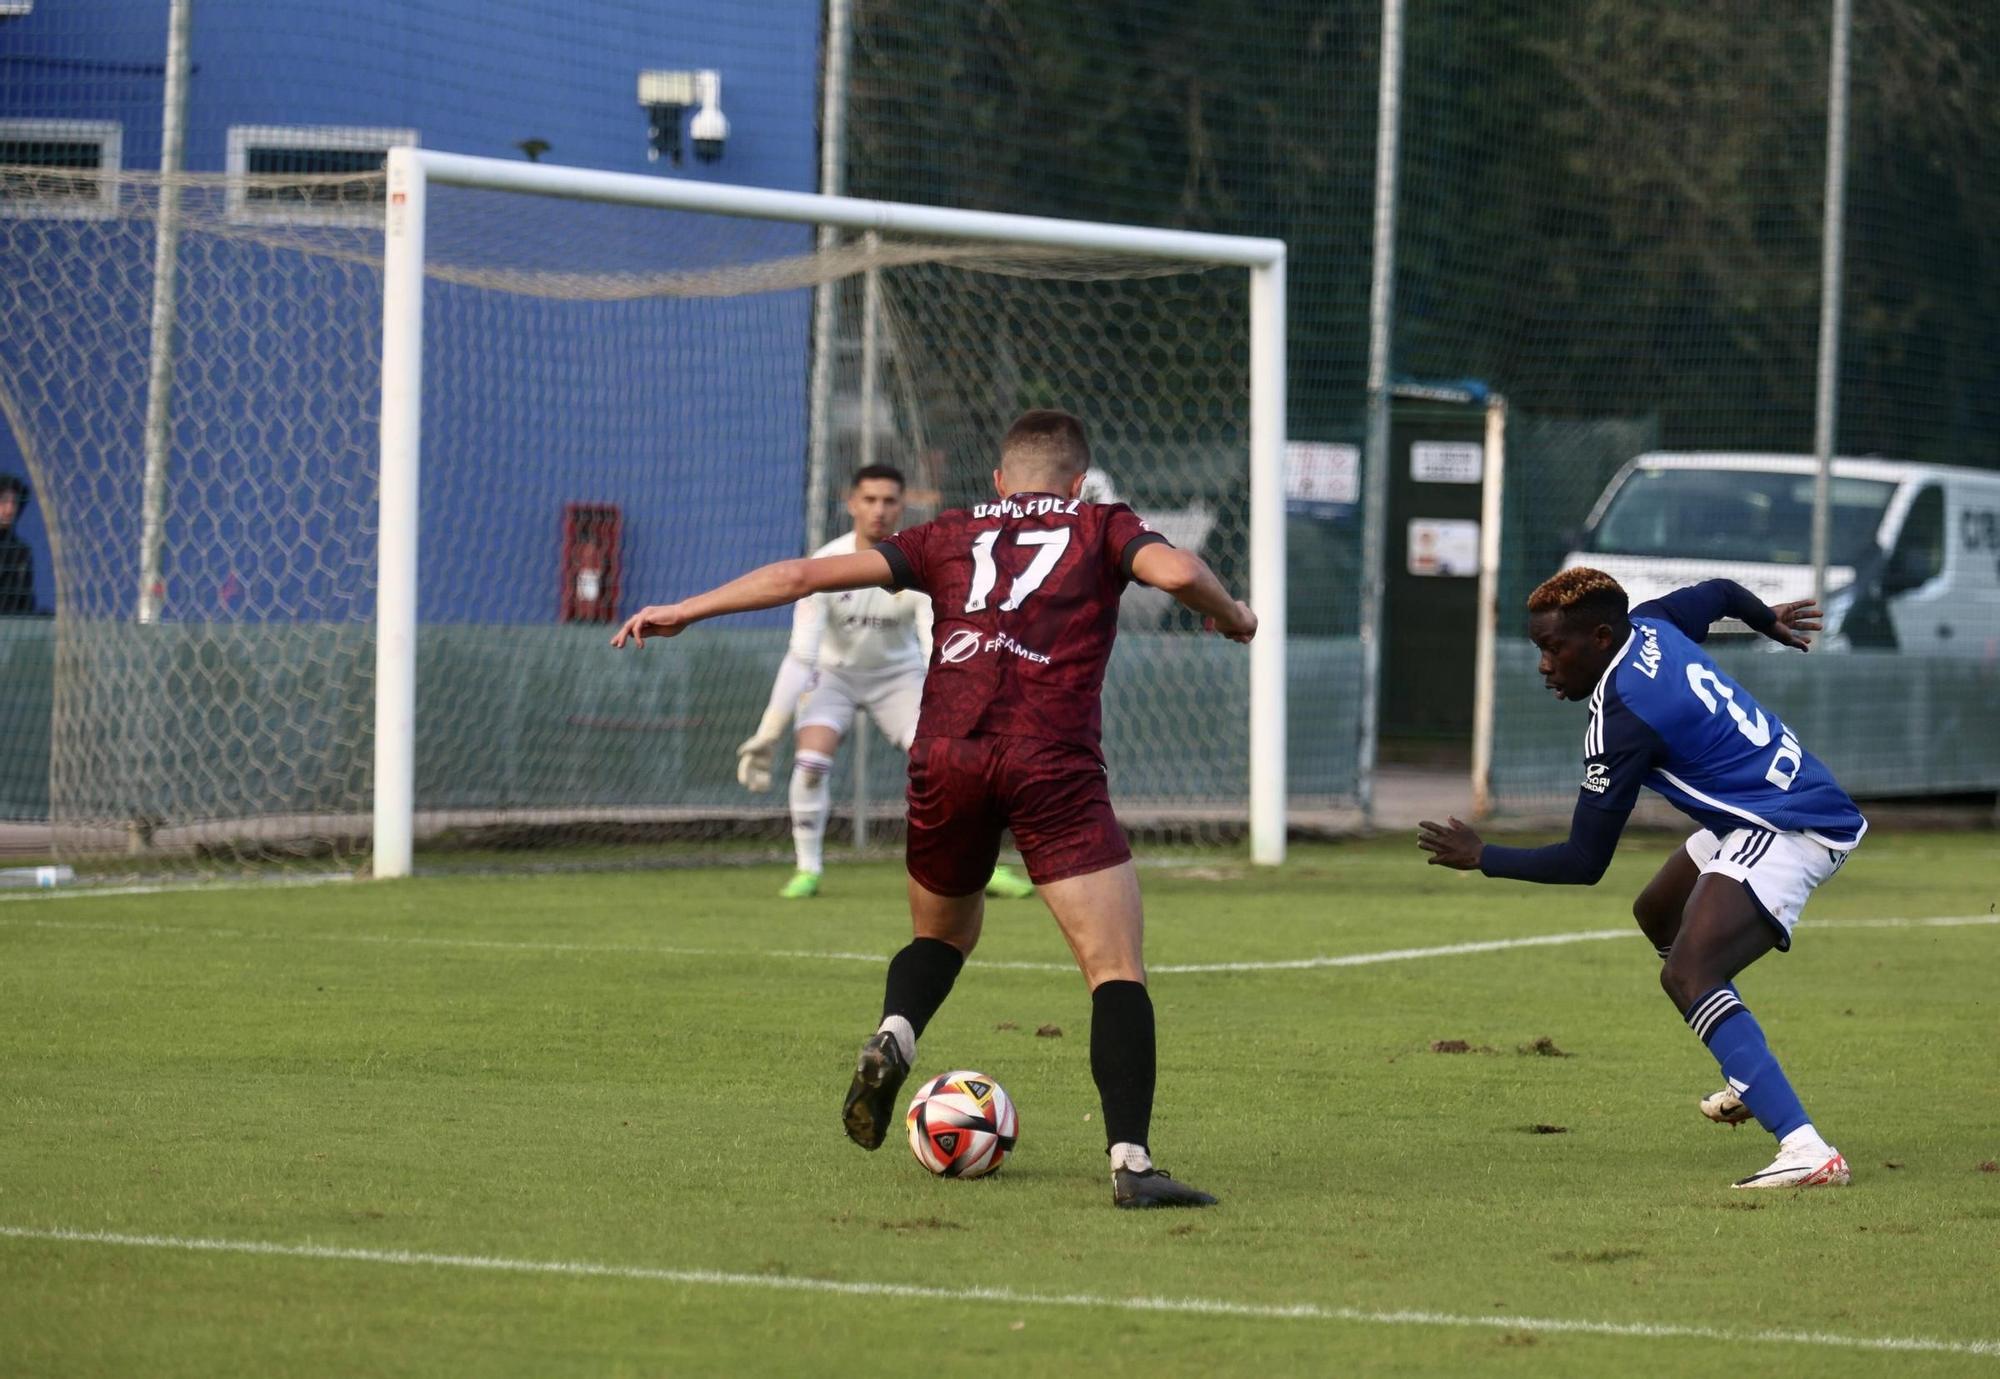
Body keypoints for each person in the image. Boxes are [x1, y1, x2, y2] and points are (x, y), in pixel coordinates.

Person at [615, 409, 1256, 1208]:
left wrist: (685, 609)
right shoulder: (1101, 523)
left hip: (945, 748)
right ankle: (1131, 1164)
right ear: (1079, 481)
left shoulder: (952, 530)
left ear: (998, 481)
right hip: (1048, 754)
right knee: (1114, 965)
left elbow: (800, 578)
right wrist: (1235, 615)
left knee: (943, 934)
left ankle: (895, 1033)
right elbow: (1181, 570)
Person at [1417, 568, 1866, 1190]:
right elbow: (1720, 592)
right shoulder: (1652, 623)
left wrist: (1482, 855)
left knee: (1688, 972)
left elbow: (1583, 862)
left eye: (1553, 648)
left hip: (1789, 822)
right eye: (1539, 649)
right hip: (1761, 805)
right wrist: (1769, 620)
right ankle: (1748, 1066)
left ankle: (1806, 1150)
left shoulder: (1623, 718)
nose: (1545, 666)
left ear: (1600, 637)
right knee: (1658, 911)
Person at [733, 463, 1034, 902]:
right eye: (869, 500)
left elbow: (937, 648)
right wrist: (769, 732)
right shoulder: (826, 564)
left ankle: (976, 867)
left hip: (898, 678)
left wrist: (959, 713)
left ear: (902, 506)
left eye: (889, 501)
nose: (879, 510)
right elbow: (802, 656)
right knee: (812, 764)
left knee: (947, 762)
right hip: (833, 677)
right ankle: (808, 869)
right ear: (851, 503)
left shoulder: (922, 565)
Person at [0, 474, 34, 616]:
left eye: (14, 502)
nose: (9, 509)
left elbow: (26, 601)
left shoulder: (21, 552)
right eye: (4, 501)